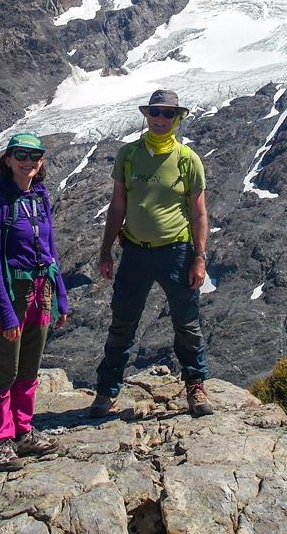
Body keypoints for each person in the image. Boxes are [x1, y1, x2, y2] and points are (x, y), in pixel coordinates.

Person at [91, 89, 215, 418]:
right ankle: (106, 390)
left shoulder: (188, 160)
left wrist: (199, 257)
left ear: (178, 118)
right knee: (123, 323)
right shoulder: (129, 155)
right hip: (134, 252)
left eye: (168, 114)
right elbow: (117, 206)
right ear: (147, 115)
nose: (161, 119)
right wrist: (105, 251)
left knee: (186, 323)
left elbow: (199, 213)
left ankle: (195, 385)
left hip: (176, 251)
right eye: (155, 112)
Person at [0, 131, 70, 471]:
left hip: (42, 292)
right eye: (20, 155)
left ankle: (23, 431)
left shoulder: (40, 197)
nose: (28, 161)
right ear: (7, 160)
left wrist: (60, 295)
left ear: (41, 161)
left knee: (29, 368)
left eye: (34, 156)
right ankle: (1, 441)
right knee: (4, 370)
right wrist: (5, 311)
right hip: (13, 294)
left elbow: (50, 250)